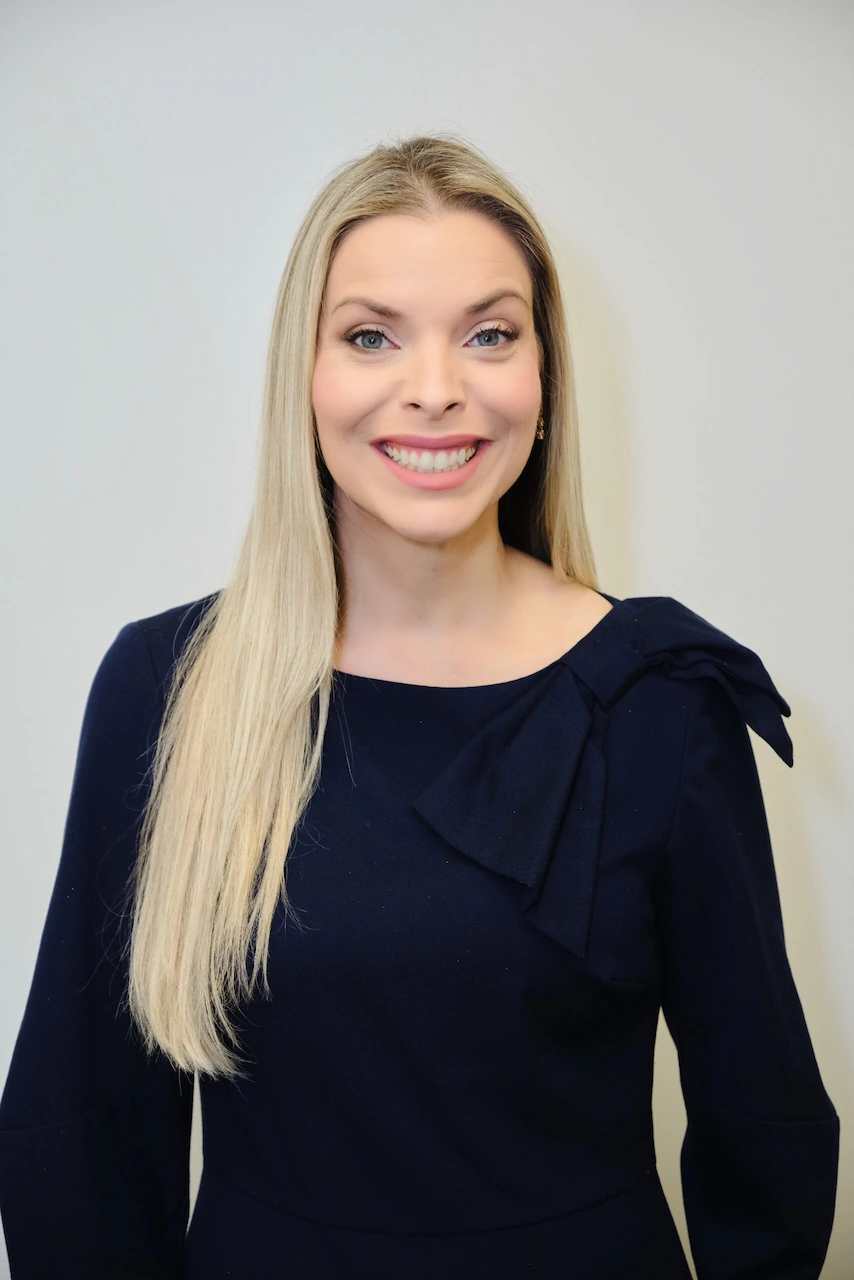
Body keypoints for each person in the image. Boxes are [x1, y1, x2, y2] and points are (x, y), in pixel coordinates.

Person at [0, 132, 839, 1280]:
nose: (436, 387)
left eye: (488, 333)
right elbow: (81, 1127)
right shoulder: (166, 685)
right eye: (370, 335)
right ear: (303, 377)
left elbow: (763, 1127)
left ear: (543, 378)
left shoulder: (660, 700)